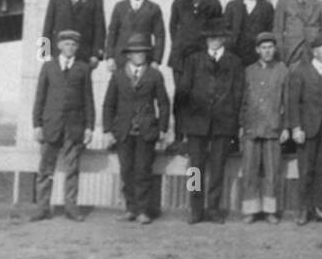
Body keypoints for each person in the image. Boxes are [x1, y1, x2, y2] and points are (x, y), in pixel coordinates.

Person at [178, 19, 244, 224]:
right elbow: (183, 92)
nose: (214, 41)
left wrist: (235, 121)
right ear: (206, 39)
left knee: (218, 168)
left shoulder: (234, 62)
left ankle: (213, 208)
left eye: (217, 37)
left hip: (223, 122)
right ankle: (195, 209)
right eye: (210, 38)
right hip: (197, 123)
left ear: (224, 39)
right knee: (195, 168)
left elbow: (239, 93)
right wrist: (185, 122)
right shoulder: (193, 60)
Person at [102, 32, 170, 225]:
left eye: (142, 51)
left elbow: (163, 104)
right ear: (128, 55)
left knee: (143, 170)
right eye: (135, 52)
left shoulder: (154, 75)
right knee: (126, 171)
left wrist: (163, 128)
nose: (139, 55)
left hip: (146, 131)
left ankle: (143, 210)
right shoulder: (118, 76)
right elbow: (108, 104)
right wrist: (108, 130)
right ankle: (130, 208)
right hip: (123, 131)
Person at [31, 30, 95, 222]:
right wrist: (37, 125)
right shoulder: (48, 67)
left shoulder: (83, 69)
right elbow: (39, 98)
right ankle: (42, 208)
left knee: (72, 169)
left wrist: (89, 127)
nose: (70, 47)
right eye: (67, 44)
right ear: (59, 46)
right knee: (45, 169)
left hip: (74, 127)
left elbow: (88, 100)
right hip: (51, 126)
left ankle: (71, 207)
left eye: (74, 45)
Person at [288, 36, 322, 225]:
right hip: (307, 130)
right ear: (315, 52)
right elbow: (293, 103)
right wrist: (296, 128)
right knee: (306, 170)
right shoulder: (300, 72)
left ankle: (319, 208)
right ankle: (304, 209)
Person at [168, 0, 223, 147]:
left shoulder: (213, 4)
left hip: (201, 59)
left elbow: (217, 30)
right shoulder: (179, 3)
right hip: (181, 58)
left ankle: (197, 138)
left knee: (200, 97)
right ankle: (178, 137)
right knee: (181, 97)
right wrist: (180, 47)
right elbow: (173, 29)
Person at [239, 32, 289, 225]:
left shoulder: (282, 70)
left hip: (273, 127)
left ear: (274, 49)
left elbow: (287, 100)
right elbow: (243, 100)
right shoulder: (248, 71)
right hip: (252, 127)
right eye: (263, 48)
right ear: (257, 50)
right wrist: (241, 125)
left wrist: (286, 127)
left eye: (270, 47)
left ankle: (270, 210)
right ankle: (251, 210)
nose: (267, 51)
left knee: (272, 171)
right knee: (250, 170)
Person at [41, 0, 106, 66]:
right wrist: (44, 53)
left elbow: (100, 29)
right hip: (58, 54)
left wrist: (96, 55)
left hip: (84, 55)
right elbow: (47, 27)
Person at [104, 0, 166, 70]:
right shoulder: (120, 7)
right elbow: (112, 33)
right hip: (121, 58)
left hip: (145, 58)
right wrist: (110, 57)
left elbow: (160, 36)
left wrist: (156, 60)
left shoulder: (153, 8)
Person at [225, 0, 275, 67]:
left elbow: (270, 30)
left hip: (258, 55)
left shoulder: (266, 7)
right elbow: (226, 31)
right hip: (236, 54)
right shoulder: (232, 6)